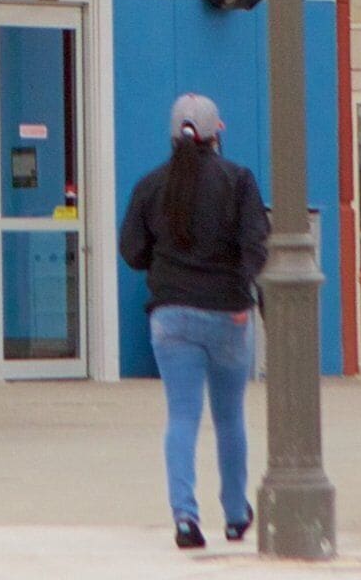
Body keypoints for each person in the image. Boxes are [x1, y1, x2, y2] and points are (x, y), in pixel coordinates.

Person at [121, 93, 267, 552]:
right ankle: (236, 512)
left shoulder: (150, 185)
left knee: (182, 417)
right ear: (215, 132)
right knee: (230, 418)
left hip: (171, 315)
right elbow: (255, 246)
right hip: (228, 311)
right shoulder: (238, 179)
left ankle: (185, 517)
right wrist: (243, 291)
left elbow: (132, 251)